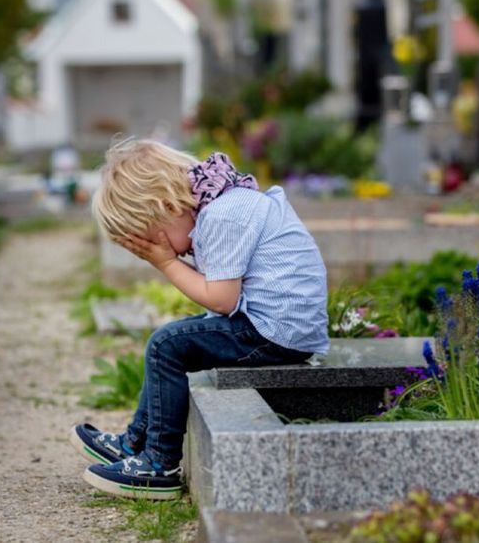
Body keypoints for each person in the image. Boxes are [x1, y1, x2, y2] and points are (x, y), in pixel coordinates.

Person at [70, 138, 330, 499]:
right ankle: (134, 443)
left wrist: (166, 263)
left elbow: (221, 300)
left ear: (166, 206)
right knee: (175, 340)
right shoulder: (224, 203)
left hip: (275, 332)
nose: (162, 250)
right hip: (280, 327)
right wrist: (169, 258)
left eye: (153, 239)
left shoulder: (222, 215)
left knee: (166, 345)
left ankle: (159, 464)